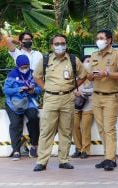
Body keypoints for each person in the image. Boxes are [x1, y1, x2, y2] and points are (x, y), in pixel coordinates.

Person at [33, 34, 87, 171]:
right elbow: (37, 76)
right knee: (46, 130)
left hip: (68, 98)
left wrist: (73, 87)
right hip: (50, 99)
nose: (60, 46)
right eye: (56, 43)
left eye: (62, 43)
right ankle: (42, 161)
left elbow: (83, 75)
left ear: (66, 44)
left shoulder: (73, 60)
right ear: (52, 46)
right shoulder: (45, 59)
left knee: (66, 131)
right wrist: (46, 88)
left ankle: (64, 160)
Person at [88, 29, 118, 171]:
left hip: (111, 96)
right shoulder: (93, 55)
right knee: (101, 129)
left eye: (101, 38)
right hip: (96, 96)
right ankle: (108, 156)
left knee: (109, 128)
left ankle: (110, 159)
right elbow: (89, 75)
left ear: (109, 40)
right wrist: (93, 76)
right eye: (97, 38)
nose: (98, 40)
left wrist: (107, 73)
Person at [3, 55, 41, 161]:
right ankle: (16, 150)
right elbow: (5, 90)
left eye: (27, 66)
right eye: (23, 67)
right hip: (14, 103)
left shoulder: (33, 74)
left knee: (34, 118)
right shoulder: (12, 75)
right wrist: (18, 89)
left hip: (29, 101)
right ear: (18, 66)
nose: (25, 69)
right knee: (15, 124)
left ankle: (33, 146)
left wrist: (33, 91)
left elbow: (40, 88)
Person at [71, 55, 94, 159]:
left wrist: (83, 91)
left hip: (89, 104)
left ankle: (85, 150)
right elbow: (69, 88)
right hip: (76, 104)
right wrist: (75, 92)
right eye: (87, 61)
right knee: (74, 125)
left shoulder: (93, 77)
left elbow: (96, 89)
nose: (88, 63)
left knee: (85, 126)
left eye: (90, 61)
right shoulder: (75, 76)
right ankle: (78, 148)